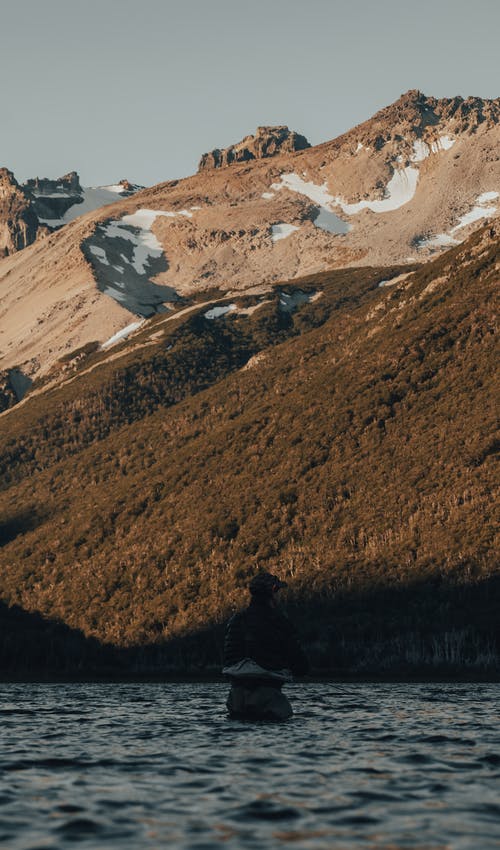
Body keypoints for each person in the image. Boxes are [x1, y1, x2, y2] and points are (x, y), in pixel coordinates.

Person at [223, 571, 309, 721]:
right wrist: (303, 669)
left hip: (236, 696)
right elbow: (298, 661)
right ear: (272, 593)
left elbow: (228, 656)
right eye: (278, 592)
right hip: (267, 695)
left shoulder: (236, 620)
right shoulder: (278, 621)